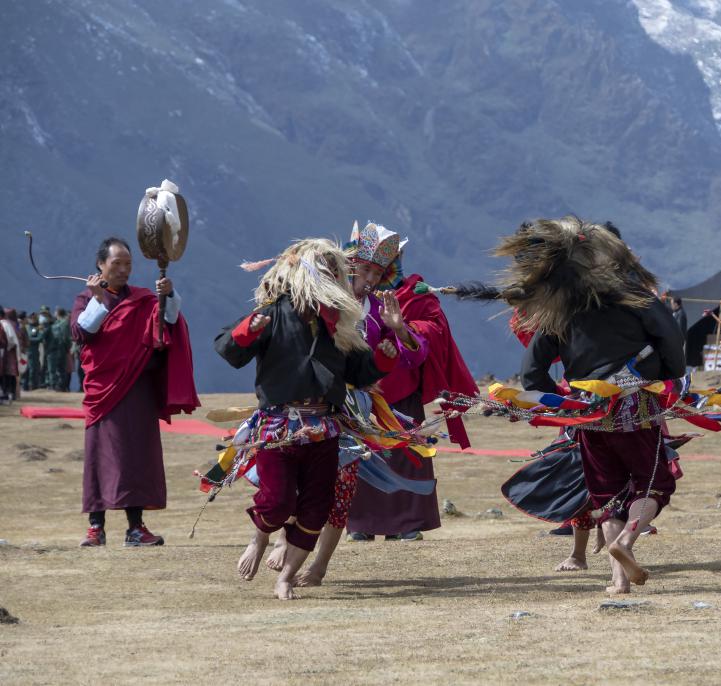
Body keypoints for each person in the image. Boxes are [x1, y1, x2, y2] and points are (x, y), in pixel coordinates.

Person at [497, 216, 686, 594]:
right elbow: (671, 342)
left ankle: (618, 583)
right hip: (635, 407)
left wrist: (565, 403)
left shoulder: (561, 308)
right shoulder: (635, 295)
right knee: (653, 484)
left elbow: (532, 371)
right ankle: (626, 543)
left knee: (607, 493)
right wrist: (665, 373)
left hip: (589, 416)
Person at [214, 238, 398, 600]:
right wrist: (246, 331)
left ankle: (286, 577)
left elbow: (360, 373)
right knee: (278, 501)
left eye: (336, 273)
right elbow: (228, 349)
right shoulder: (273, 312)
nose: (333, 278)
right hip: (278, 427)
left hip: (324, 428)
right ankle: (260, 536)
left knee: (316, 509)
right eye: (327, 271)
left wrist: (384, 357)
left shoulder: (340, 324)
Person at [345, 222, 478, 544]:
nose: (374, 279)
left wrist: (404, 330)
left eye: (380, 271)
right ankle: (359, 522)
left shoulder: (411, 294)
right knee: (360, 455)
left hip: (401, 388)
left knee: (406, 455)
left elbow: (427, 336)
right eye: (368, 271)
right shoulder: (337, 303)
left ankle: (406, 522)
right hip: (354, 395)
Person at [72, 237, 199, 547]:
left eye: (128, 264)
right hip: (104, 390)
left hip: (138, 387)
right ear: (101, 265)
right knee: (100, 456)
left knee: (138, 456)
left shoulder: (143, 298)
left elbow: (167, 323)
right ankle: (95, 526)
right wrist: (98, 300)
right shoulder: (86, 298)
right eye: (117, 264)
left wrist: (169, 295)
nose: (124, 270)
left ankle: (135, 528)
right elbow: (81, 333)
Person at [48, 307, 72, 392]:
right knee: (59, 367)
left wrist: (67, 347)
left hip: (61, 347)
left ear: (58, 313)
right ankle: (60, 385)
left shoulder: (64, 323)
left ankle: (61, 386)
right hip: (59, 347)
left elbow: (66, 337)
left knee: (61, 367)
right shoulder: (60, 322)